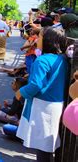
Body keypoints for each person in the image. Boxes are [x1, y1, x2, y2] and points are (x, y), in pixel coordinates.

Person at [16, 27, 70, 161]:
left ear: (47, 41)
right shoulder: (61, 59)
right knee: (47, 142)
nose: (37, 40)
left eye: (40, 37)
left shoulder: (42, 60)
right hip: (56, 104)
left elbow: (35, 85)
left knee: (41, 145)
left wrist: (21, 92)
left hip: (42, 105)